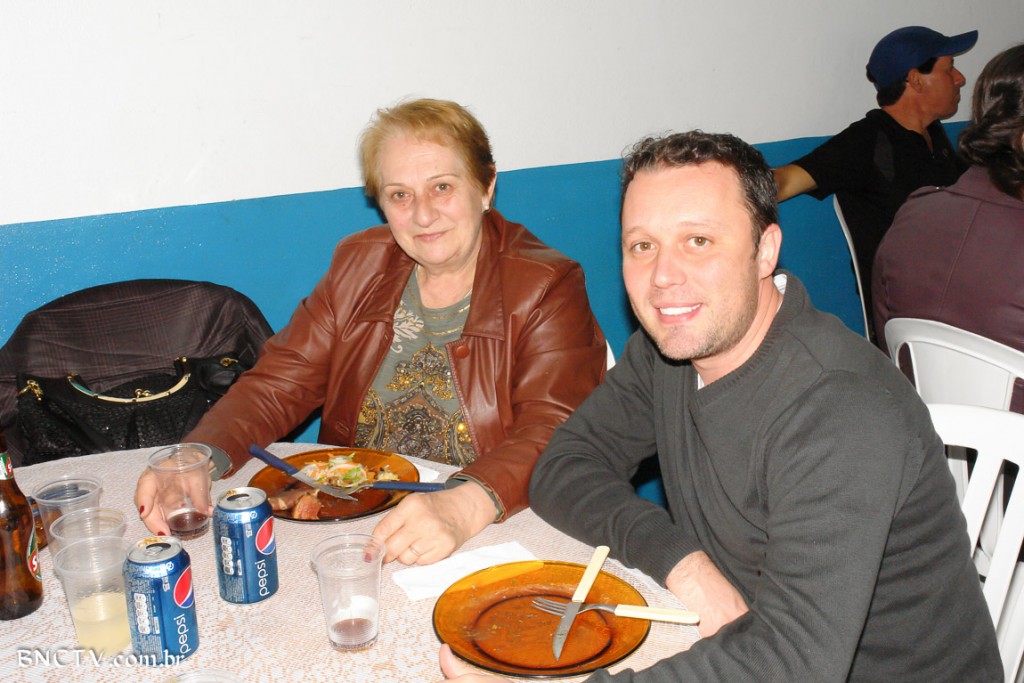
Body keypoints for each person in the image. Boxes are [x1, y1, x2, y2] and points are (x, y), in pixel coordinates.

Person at [440, 131, 1000, 681]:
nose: (663, 278)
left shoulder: (840, 408)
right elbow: (564, 468)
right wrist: (683, 563)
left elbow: (793, 661)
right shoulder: (669, 353)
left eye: (698, 241)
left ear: (765, 251)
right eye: (642, 246)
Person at [134, 99, 607, 564]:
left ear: (486, 187)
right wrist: (196, 456)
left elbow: (553, 425)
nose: (423, 215)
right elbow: (281, 381)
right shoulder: (359, 264)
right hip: (354, 517)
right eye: (400, 194)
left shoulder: (545, 284)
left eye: (442, 187)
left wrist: (466, 504)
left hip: (485, 522)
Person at [774, 26, 977, 318]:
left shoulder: (933, 134)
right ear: (915, 80)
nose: (960, 79)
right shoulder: (866, 140)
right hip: (910, 312)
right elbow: (783, 182)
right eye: (950, 68)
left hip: (958, 289)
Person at [874, 43, 1024, 355]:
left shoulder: (912, 214)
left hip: (919, 387)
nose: (959, 78)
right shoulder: (869, 139)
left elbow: (886, 341)